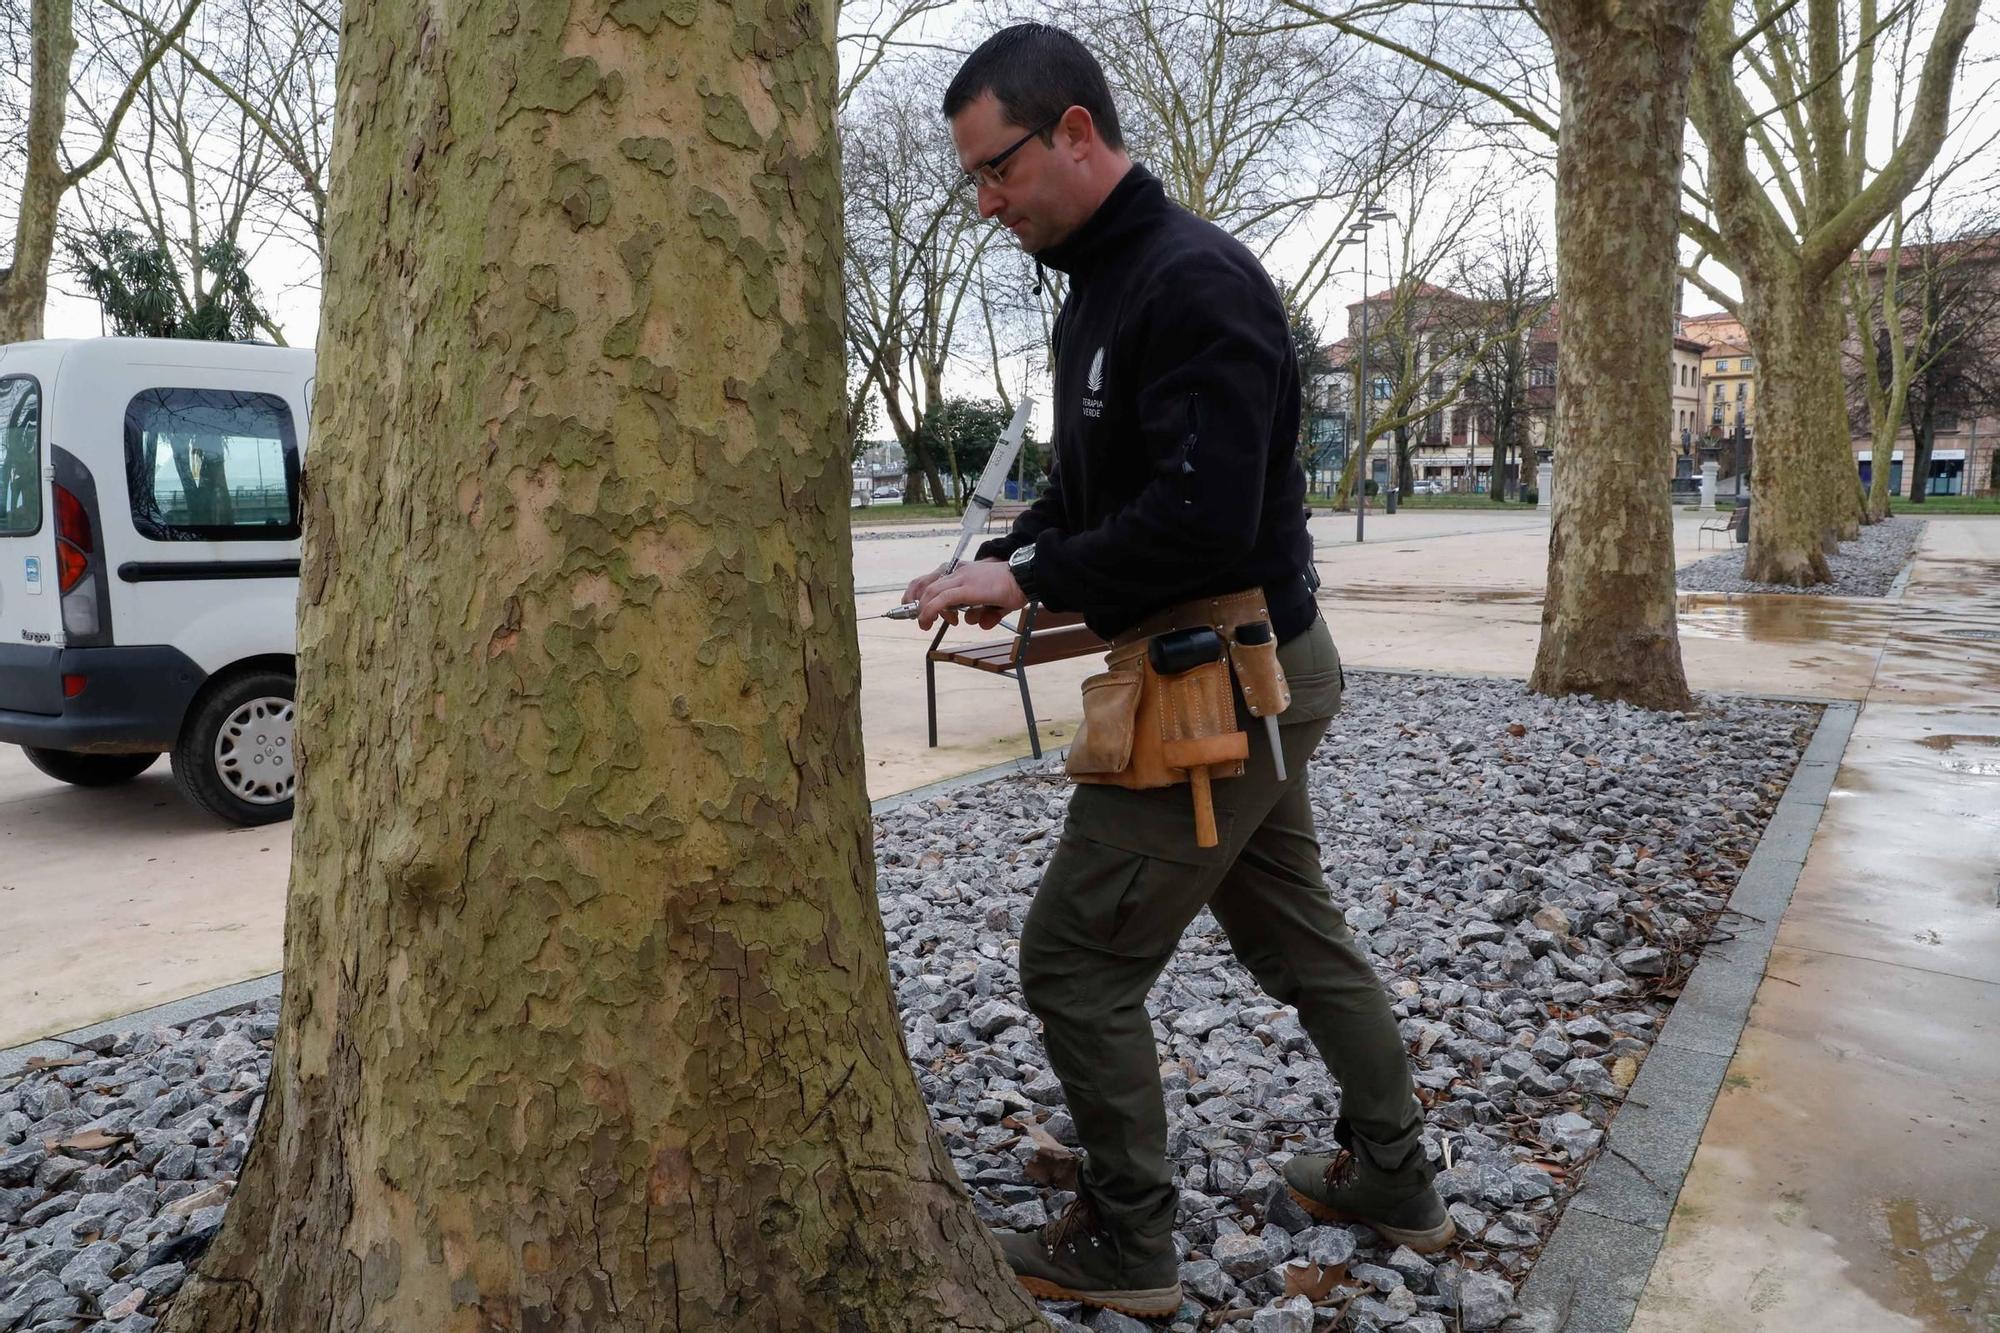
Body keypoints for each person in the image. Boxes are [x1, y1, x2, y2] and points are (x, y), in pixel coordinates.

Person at [905, 24, 1452, 1319]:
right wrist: (1019, 543)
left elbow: (1202, 522)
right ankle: (1397, 1176)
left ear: (1077, 134)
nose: (987, 201)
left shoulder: (1191, 279)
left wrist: (1033, 582)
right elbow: (1116, 479)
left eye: (999, 168)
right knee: (1293, 931)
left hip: (1227, 674)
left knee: (1075, 965)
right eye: (973, 178)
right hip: (1245, 669)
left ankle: (1130, 1247)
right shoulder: (1103, 282)